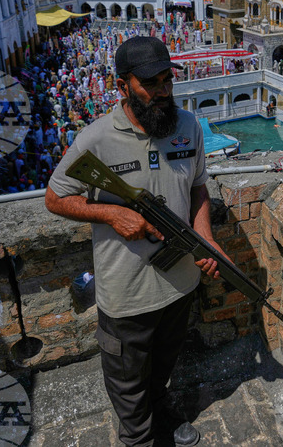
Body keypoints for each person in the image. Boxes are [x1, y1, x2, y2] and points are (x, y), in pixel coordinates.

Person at [45, 36, 226, 446]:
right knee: (128, 382)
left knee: (163, 365)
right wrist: (112, 214)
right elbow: (55, 198)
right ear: (122, 86)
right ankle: (138, 437)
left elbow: (198, 188)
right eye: (151, 83)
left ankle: (160, 413)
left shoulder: (188, 126)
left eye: (167, 80)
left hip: (179, 282)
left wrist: (206, 239)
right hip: (127, 292)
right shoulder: (96, 138)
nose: (163, 91)